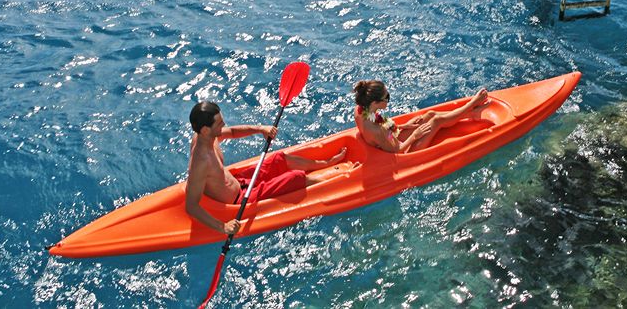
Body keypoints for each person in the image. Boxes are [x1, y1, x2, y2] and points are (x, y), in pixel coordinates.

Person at [185, 101, 347, 236]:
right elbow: (191, 206)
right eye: (220, 123)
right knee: (295, 177)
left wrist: (260, 128)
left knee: (280, 159)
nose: (224, 125)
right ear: (205, 129)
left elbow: (233, 132)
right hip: (240, 200)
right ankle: (342, 179)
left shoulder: (208, 136)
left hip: (240, 182)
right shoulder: (200, 162)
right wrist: (223, 227)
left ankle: (325, 163)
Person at [353, 80, 489, 153]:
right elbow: (398, 151)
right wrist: (415, 135)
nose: (388, 99)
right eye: (386, 97)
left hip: (392, 138)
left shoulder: (361, 110)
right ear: (375, 102)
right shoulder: (375, 130)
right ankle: (471, 105)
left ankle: (471, 113)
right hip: (404, 152)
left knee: (430, 114)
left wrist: (403, 126)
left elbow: (384, 129)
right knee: (436, 121)